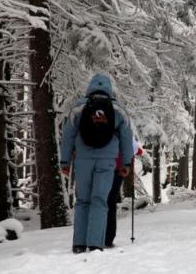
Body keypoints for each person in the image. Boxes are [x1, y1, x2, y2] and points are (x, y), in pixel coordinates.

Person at [60, 73, 133, 254]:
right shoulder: (118, 109)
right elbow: (126, 137)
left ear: (90, 88)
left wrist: (65, 161)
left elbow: (68, 135)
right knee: (100, 201)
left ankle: (78, 244)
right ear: (109, 89)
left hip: (83, 160)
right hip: (107, 161)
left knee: (82, 200)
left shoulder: (79, 108)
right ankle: (95, 244)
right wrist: (126, 162)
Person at [105, 138, 144, 248]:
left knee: (104, 200)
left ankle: (100, 236)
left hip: (102, 167)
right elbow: (138, 150)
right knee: (110, 201)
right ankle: (108, 238)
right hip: (118, 168)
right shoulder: (123, 129)